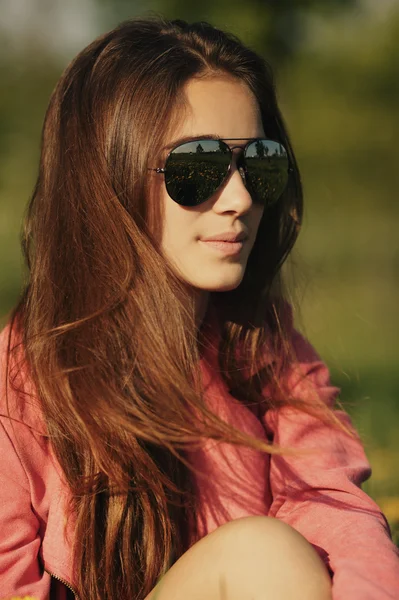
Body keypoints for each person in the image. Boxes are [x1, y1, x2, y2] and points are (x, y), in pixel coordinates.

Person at [0, 14, 398, 600]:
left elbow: (336, 515)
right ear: (106, 178)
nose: (239, 199)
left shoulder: (265, 350)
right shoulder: (22, 384)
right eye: (197, 168)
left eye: (259, 163)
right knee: (261, 555)